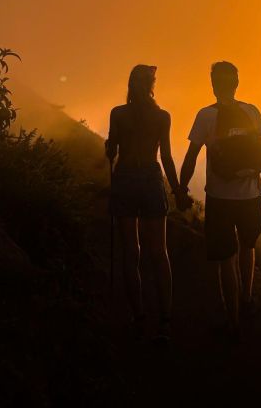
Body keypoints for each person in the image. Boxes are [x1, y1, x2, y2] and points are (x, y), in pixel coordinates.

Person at [178, 61, 261, 338]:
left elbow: (191, 156)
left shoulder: (206, 116)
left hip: (220, 197)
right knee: (248, 246)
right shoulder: (252, 112)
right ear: (236, 84)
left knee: (225, 258)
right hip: (251, 195)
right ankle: (247, 300)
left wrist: (182, 188)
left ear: (213, 85)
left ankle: (232, 321)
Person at [105, 64, 183, 342]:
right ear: (152, 86)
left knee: (130, 251)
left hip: (125, 177)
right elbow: (167, 157)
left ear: (130, 84)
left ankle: (138, 316)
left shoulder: (118, 114)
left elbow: (112, 149)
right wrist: (177, 190)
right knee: (159, 252)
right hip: (150, 178)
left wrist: (109, 148)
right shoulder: (162, 117)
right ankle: (165, 320)